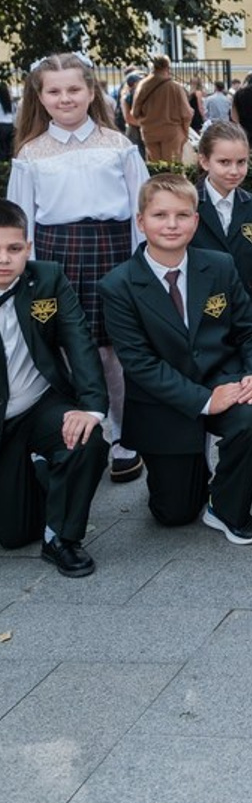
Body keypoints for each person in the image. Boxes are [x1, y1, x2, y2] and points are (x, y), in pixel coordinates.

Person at [100, 174, 252, 544]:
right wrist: (205, 402)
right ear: (141, 221)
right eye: (160, 215)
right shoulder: (119, 285)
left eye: (182, 215)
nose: (171, 224)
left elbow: (250, 332)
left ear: (196, 221)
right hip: (163, 402)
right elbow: (140, 363)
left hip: (221, 379)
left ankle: (227, 508)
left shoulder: (219, 266)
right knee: (175, 514)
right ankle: (193, 467)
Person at [8, 53, 149, 484]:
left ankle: (125, 435)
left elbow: (141, 207)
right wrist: (24, 271)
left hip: (110, 253)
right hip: (54, 257)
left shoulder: (118, 144)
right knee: (62, 349)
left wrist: (140, 265)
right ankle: (72, 433)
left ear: (91, 91)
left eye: (74, 89)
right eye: (54, 91)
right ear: (40, 95)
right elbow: (21, 217)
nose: (65, 98)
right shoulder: (31, 152)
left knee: (114, 350)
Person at [0, 201, 109, 577]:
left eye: (14, 249)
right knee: (13, 535)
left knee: (84, 439)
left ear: (28, 248)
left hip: (38, 405)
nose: (4, 259)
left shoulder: (47, 278)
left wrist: (92, 408)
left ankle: (61, 538)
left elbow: (79, 342)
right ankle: (41, 476)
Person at [193, 121, 252, 316]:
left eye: (241, 162)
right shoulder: (187, 206)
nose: (234, 171)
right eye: (224, 162)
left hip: (246, 313)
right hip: (199, 314)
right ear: (204, 161)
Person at [130, 55, 192, 163]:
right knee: (172, 168)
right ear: (167, 68)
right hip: (172, 132)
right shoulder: (175, 87)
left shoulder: (142, 86)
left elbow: (135, 112)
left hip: (149, 132)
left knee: (155, 168)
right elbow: (186, 113)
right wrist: (185, 132)